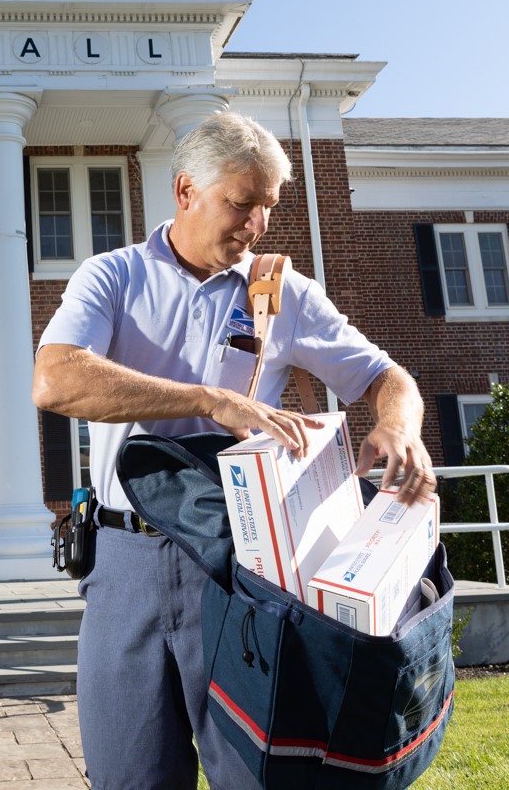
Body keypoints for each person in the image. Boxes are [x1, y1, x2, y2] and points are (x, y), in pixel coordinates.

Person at [32, 112, 435, 790]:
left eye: (267, 208)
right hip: (121, 560)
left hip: (242, 566)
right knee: (129, 778)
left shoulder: (283, 292)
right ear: (186, 190)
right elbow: (56, 379)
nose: (255, 225)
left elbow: (388, 378)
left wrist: (400, 426)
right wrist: (208, 399)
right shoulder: (111, 277)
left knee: (256, 774)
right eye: (240, 204)